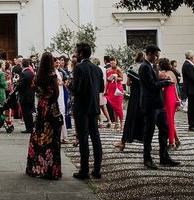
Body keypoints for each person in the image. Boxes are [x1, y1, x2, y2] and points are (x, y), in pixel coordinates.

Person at [139, 45, 180, 170]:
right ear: (149, 54)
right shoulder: (144, 67)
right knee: (149, 132)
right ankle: (147, 159)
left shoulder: (152, 66)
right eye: (156, 55)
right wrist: (165, 83)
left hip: (158, 103)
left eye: (158, 55)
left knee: (165, 129)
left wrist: (162, 79)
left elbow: (155, 81)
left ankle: (164, 156)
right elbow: (151, 85)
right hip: (150, 104)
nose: (157, 58)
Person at [25, 52, 62, 180]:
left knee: (39, 136)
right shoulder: (52, 76)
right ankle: (51, 169)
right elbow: (56, 94)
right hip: (51, 107)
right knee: (52, 138)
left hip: (41, 107)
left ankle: (36, 167)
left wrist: (42, 96)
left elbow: (34, 89)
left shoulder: (37, 76)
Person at [69, 42, 103, 180]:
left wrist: (69, 85)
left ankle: (84, 170)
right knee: (95, 138)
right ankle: (97, 169)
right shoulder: (97, 69)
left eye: (77, 52)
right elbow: (101, 88)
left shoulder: (79, 68)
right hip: (94, 106)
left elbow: (76, 89)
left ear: (81, 53)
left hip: (82, 107)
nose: (76, 54)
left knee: (83, 138)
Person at [114, 51, 145, 151]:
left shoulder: (132, 68)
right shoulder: (146, 68)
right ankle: (145, 142)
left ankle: (123, 142)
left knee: (130, 118)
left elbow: (127, 83)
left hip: (135, 96)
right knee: (143, 119)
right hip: (144, 95)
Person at [158, 57, 181, 149]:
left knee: (169, 121)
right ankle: (177, 140)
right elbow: (175, 88)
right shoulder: (171, 73)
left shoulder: (164, 74)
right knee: (170, 120)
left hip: (168, 98)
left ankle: (171, 142)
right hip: (173, 97)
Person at [15, 58, 36, 134]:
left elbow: (21, 85)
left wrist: (16, 88)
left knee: (25, 113)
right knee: (29, 112)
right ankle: (31, 127)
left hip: (24, 96)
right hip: (31, 95)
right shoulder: (31, 72)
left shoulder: (23, 73)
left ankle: (28, 128)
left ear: (22, 65)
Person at [104, 58, 124, 132]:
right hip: (111, 90)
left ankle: (121, 125)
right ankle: (116, 123)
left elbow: (122, 78)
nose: (112, 62)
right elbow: (107, 81)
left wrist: (115, 77)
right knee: (114, 107)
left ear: (116, 62)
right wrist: (105, 90)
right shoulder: (108, 70)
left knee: (119, 107)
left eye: (114, 61)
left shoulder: (118, 69)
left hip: (117, 89)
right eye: (111, 61)